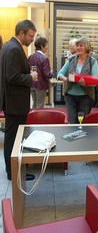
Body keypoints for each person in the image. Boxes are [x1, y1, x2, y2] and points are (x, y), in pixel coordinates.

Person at [0, 19, 38, 181]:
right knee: (14, 138)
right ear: (21, 33)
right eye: (30, 36)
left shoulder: (8, 46)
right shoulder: (14, 49)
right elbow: (12, 76)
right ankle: (13, 172)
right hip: (15, 102)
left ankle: (13, 169)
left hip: (11, 101)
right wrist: (30, 77)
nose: (32, 40)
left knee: (12, 137)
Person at [57, 37, 98, 123]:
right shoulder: (71, 59)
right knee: (72, 122)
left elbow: (95, 81)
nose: (78, 47)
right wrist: (66, 79)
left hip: (85, 97)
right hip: (70, 96)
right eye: (77, 46)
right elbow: (59, 74)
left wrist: (85, 83)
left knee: (82, 122)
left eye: (81, 45)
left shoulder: (92, 62)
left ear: (86, 47)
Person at [28, 37, 54, 109]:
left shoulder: (30, 57)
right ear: (42, 46)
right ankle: (38, 120)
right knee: (40, 106)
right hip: (41, 85)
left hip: (32, 83)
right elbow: (46, 74)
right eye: (46, 45)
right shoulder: (44, 58)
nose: (47, 47)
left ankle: (33, 119)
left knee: (34, 103)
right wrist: (51, 73)